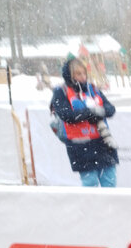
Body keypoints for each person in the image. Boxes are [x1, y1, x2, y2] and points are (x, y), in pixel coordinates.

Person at [49, 57, 118, 187]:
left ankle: (109, 207)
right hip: (80, 146)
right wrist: (89, 113)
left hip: (102, 142)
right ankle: (92, 207)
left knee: (110, 182)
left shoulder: (92, 89)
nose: (83, 77)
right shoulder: (61, 92)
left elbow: (110, 109)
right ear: (70, 75)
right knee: (90, 182)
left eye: (84, 73)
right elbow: (66, 115)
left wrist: (100, 111)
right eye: (78, 74)